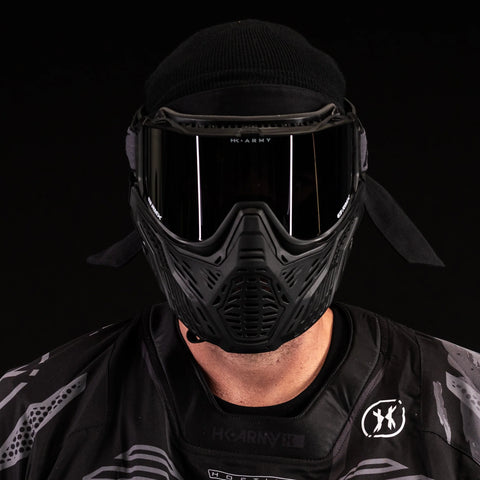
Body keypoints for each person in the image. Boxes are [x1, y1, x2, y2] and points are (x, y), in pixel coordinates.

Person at [1, 19, 479, 479]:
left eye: (290, 189)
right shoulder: (27, 424)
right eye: (212, 190)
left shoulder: (469, 416)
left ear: (354, 188)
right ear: (144, 197)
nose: (252, 241)